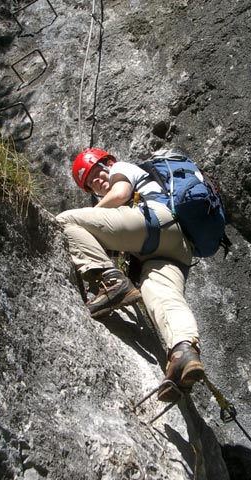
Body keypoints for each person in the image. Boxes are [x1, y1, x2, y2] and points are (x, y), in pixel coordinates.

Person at [56, 147, 205, 402]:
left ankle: (112, 283)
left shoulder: (121, 169)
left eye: (97, 173)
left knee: (65, 220)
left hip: (156, 220)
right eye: (92, 184)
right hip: (174, 249)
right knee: (160, 295)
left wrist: (95, 213)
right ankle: (184, 352)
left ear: (108, 163)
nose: (98, 181)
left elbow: (121, 192)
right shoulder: (123, 199)